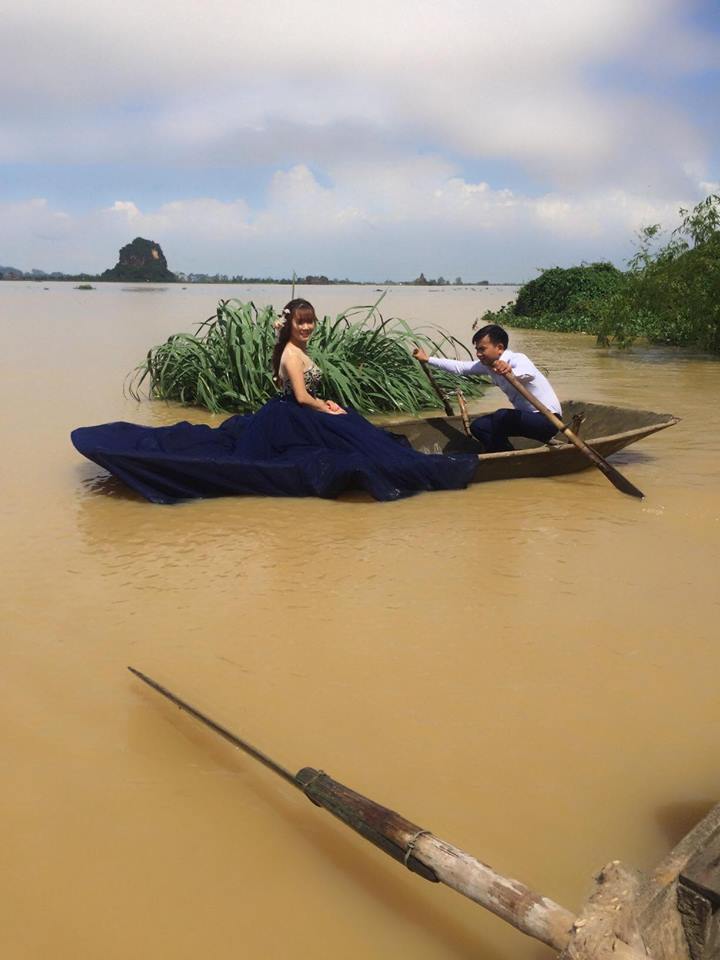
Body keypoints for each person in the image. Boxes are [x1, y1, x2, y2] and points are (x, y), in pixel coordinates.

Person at [71, 298, 478, 503]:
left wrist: (330, 406)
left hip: (295, 412)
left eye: (310, 322)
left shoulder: (293, 349)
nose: (306, 328)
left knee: (354, 429)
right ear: (291, 325)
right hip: (296, 413)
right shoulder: (290, 352)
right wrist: (329, 406)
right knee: (350, 433)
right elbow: (302, 396)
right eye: (300, 322)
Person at [413, 323, 561, 453]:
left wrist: (510, 372)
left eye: (482, 349)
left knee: (502, 415)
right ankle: (505, 454)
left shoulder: (517, 359)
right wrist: (428, 359)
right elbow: (461, 368)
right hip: (527, 421)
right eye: (477, 349)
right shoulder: (488, 366)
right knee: (479, 426)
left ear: (500, 348)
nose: (478, 354)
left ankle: (530, 443)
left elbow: (529, 374)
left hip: (549, 420)